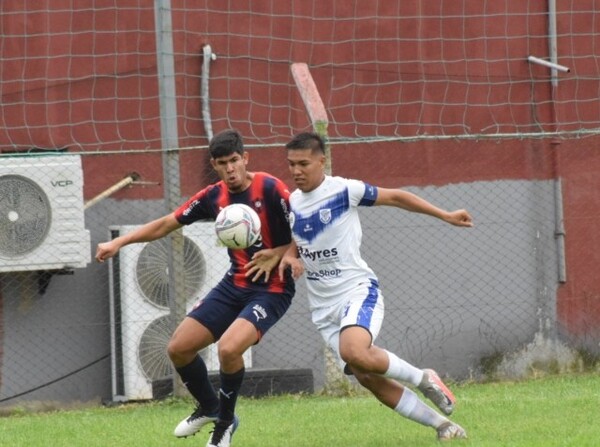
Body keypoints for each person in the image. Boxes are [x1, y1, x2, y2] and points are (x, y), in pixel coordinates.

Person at [96, 129, 294, 447]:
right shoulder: (213, 197)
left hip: (271, 290)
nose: (230, 169)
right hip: (234, 284)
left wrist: (282, 253)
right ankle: (210, 407)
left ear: (246, 159)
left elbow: (307, 231)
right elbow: (166, 223)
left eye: (234, 161)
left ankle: (225, 426)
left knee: (229, 349)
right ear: (214, 165)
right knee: (178, 347)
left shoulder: (271, 189)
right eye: (222, 163)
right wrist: (120, 241)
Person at [276, 132, 472, 441]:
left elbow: (395, 196)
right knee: (367, 376)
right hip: (322, 308)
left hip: (356, 290)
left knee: (355, 351)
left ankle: (423, 377)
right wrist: (290, 254)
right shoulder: (293, 202)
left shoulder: (344, 190)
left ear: (321, 161)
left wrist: (444, 214)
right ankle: (443, 426)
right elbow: (301, 237)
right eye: (291, 165)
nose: (296, 171)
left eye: (303, 164)